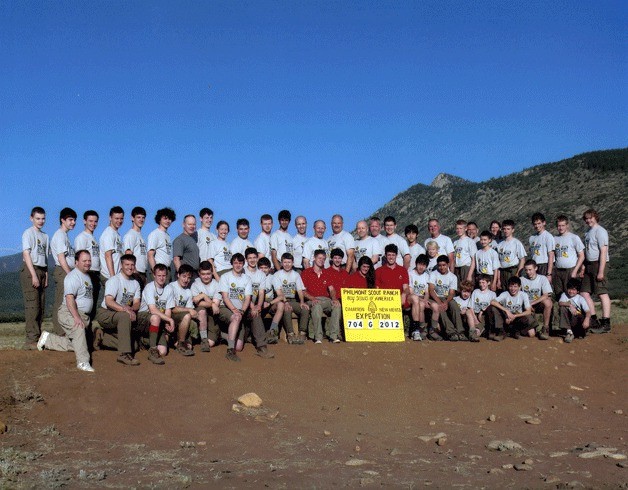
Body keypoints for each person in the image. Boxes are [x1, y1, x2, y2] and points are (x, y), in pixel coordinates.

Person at [37, 250, 95, 372]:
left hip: (83, 315)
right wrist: (76, 317)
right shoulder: (73, 276)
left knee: (80, 344)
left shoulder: (87, 276)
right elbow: (69, 299)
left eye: (89, 260)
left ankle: (48, 340)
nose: (87, 263)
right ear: (76, 262)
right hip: (69, 312)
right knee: (78, 329)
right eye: (84, 261)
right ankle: (83, 362)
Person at [94, 253, 141, 365]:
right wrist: (126, 310)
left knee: (134, 345)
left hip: (120, 315)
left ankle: (102, 336)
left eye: (132, 265)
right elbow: (108, 302)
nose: (130, 267)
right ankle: (123, 354)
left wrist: (132, 309)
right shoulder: (114, 280)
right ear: (121, 265)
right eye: (127, 264)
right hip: (106, 313)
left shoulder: (135, 283)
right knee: (125, 316)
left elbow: (137, 303)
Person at [21, 206, 49, 350]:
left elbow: (45, 256)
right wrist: (33, 275)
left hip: (42, 270)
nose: (41, 221)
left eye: (43, 218)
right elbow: (26, 254)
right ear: (31, 218)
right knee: (33, 307)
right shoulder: (28, 233)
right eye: (38, 218)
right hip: (31, 269)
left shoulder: (45, 236)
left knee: (41, 307)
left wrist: (46, 274)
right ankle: (30, 340)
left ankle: (37, 338)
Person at [580, 208, 611, 334]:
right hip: (589, 264)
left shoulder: (600, 231)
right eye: (586, 218)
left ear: (595, 217)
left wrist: (601, 271)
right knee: (584, 292)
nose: (588, 220)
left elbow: (603, 251)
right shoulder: (588, 232)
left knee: (602, 292)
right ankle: (593, 319)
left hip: (599, 263)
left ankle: (606, 322)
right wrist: (583, 266)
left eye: (590, 218)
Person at [217, 253, 253, 361]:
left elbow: (247, 298)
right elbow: (225, 297)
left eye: (240, 263)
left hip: (240, 311)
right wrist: (234, 310)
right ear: (232, 263)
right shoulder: (225, 277)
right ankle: (230, 350)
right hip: (226, 308)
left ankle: (222, 335)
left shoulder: (247, 278)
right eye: (235, 263)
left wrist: (242, 310)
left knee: (239, 347)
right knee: (236, 317)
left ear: (243, 264)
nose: (238, 265)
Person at [138, 263, 175, 365]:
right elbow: (152, 309)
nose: (161, 278)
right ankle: (152, 350)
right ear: (154, 275)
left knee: (163, 352)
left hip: (158, 321)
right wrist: (170, 320)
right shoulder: (149, 287)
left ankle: (144, 340)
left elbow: (168, 310)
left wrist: (167, 321)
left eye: (164, 275)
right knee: (155, 317)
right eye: (159, 275)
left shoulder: (169, 289)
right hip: (144, 318)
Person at [302, 249, 342, 343]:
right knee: (316, 306)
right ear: (314, 258)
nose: (321, 260)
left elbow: (331, 289)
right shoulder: (306, 272)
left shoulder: (326, 273)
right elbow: (302, 291)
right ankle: (318, 337)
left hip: (326, 300)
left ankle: (333, 336)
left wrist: (334, 299)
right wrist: (312, 298)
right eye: (319, 258)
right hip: (312, 299)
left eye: (323, 259)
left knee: (337, 305)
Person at [243, 248, 275, 358]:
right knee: (239, 345)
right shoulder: (242, 271)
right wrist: (253, 306)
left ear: (257, 258)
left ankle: (262, 347)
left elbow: (261, 293)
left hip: (253, 306)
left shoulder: (260, 274)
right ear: (246, 259)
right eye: (249, 258)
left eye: (254, 257)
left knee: (255, 315)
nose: (252, 260)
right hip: (241, 305)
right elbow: (243, 294)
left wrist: (258, 305)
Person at [272, 253, 310, 345]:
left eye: (289, 262)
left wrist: (302, 302)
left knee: (305, 309)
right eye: (285, 262)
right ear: (281, 263)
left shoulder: (296, 274)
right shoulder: (277, 275)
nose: (287, 264)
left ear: (292, 263)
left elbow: (300, 290)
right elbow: (279, 292)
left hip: (293, 300)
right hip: (281, 301)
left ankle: (302, 333)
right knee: (287, 308)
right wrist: (285, 302)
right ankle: (290, 334)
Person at [50, 207, 77, 335]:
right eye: (70, 220)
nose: (73, 222)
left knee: (67, 301)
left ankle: (65, 330)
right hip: (63, 271)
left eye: (74, 220)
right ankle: (59, 332)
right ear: (62, 220)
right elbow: (61, 258)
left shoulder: (65, 236)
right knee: (60, 301)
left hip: (67, 270)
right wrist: (69, 274)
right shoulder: (60, 235)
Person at [428, 255, 465, 341]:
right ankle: (451, 332)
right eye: (440, 265)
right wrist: (440, 302)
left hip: (447, 297)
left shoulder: (453, 277)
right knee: (440, 308)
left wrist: (446, 302)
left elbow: (451, 293)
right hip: (435, 297)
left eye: (444, 265)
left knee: (455, 306)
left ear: (448, 265)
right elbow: (431, 290)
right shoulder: (433, 274)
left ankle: (460, 331)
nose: (442, 267)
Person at [489, 276, 536, 341]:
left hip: (517, 317)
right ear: (508, 287)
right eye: (511, 286)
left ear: (519, 287)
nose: (513, 289)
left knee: (532, 334)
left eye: (515, 286)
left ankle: (515, 331)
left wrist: (515, 316)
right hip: (506, 317)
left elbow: (528, 311)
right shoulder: (505, 294)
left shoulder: (523, 295)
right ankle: (501, 331)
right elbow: (492, 302)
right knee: (493, 308)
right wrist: (506, 311)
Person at [167, 264, 199, 356]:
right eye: (184, 276)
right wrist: (189, 310)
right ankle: (181, 344)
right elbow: (172, 309)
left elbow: (191, 310)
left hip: (182, 317)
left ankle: (183, 341)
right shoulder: (171, 287)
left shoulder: (188, 291)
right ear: (178, 275)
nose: (186, 280)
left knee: (192, 318)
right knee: (187, 315)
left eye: (188, 278)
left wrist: (194, 313)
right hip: (170, 316)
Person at [74, 210, 101, 318]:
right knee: (85, 305)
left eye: (95, 221)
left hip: (95, 272)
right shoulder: (81, 237)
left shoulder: (93, 238)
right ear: (84, 221)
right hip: (87, 273)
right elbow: (80, 258)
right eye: (90, 221)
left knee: (92, 305)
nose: (93, 224)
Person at [408, 254, 441, 341]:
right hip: (414, 297)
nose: (421, 267)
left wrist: (426, 299)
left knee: (435, 306)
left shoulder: (426, 275)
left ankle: (433, 331)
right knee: (421, 305)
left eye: (424, 265)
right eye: (420, 264)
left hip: (423, 297)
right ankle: (422, 329)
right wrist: (422, 300)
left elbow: (427, 292)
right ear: (416, 264)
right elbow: (411, 292)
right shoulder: (410, 274)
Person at [191, 260, 221, 352]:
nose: (206, 276)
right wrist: (211, 303)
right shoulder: (195, 284)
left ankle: (219, 334)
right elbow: (196, 302)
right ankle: (203, 339)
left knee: (211, 343)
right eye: (203, 274)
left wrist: (203, 296)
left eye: (208, 273)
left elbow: (216, 304)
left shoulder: (217, 284)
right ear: (199, 274)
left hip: (212, 315)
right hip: (199, 314)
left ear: (212, 272)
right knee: (202, 310)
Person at [553, 215, 585, 299]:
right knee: (559, 294)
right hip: (558, 271)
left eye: (563, 225)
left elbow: (581, 255)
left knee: (571, 294)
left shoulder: (574, 237)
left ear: (567, 225)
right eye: (559, 225)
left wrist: (575, 271)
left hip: (570, 270)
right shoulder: (554, 238)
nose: (561, 228)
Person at [521, 259, 553, 340]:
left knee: (548, 302)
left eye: (530, 269)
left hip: (537, 304)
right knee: (531, 334)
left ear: (536, 268)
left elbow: (546, 295)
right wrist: (527, 305)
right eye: (526, 270)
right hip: (526, 307)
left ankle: (545, 327)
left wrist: (531, 303)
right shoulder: (521, 279)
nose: (528, 272)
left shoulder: (542, 278)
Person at [258, 257, 286, 344]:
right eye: (261, 268)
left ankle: (272, 332)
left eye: (265, 268)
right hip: (257, 301)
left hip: (269, 302)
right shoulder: (254, 277)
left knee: (281, 304)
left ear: (269, 268)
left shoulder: (273, 277)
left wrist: (270, 303)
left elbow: (281, 296)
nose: (263, 270)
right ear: (258, 268)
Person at [558, 278, 591, 343]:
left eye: (574, 289)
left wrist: (587, 320)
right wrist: (570, 305)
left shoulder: (580, 298)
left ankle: (577, 332)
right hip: (569, 319)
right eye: (569, 289)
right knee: (562, 308)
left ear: (577, 291)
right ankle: (569, 331)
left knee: (579, 317)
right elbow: (560, 303)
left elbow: (588, 311)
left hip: (577, 319)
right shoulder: (564, 295)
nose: (571, 291)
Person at [123, 206, 148, 288]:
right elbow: (128, 255)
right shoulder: (130, 235)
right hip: (135, 273)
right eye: (138, 217)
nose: (141, 219)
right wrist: (135, 272)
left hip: (143, 272)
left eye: (143, 217)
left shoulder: (140, 236)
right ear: (132, 218)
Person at [147, 207, 176, 279]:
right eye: (165, 218)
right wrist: (156, 273)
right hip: (159, 271)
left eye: (169, 219)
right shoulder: (155, 234)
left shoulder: (167, 236)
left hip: (167, 270)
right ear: (159, 219)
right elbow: (150, 255)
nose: (168, 221)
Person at [496, 219, 526, 287]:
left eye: (508, 229)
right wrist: (498, 279)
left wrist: (518, 273)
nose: (506, 231)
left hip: (513, 271)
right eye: (504, 229)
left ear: (512, 230)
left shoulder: (516, 243)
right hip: (503, 271)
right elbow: (498, 262)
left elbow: (522, 259)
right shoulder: (500, 244)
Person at [99, 206, 124, 283]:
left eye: (121, 218)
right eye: (116, 218)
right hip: (109, 276)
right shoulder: (108, 234)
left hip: (117, 275)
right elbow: (108, 256)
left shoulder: (117, 234)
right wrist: (113, 278)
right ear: (110, 218)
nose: (119, 221)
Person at [468, 274, 496, 340]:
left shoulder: (492, 294)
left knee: (478, 331)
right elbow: (471, 307)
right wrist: (475, 318)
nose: (481, 284)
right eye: (480, 282)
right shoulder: (475, 292)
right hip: (475, 314)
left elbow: (493, 306)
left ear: (488, 283)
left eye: (483, 282)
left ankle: (481, 331)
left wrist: (482, 311)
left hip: (485, 316)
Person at [528, 212, 555, 277]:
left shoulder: (548, 236)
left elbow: (551, 255)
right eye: (535, 224)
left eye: (539, 223)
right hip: (534, 266)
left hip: (544, 265)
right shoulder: (532, 238)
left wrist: (549, 273)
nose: (537, 226)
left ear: (544, 223)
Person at [453, 220, 476, 285]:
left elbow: (473, 259)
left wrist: (469, 275)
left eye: (461, 228)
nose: (458, 230)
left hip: (466, 268)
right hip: (457, 268)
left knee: (466, 289)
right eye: (457, 228)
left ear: (465, 229)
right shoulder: (455, 242)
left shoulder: (470, 241)